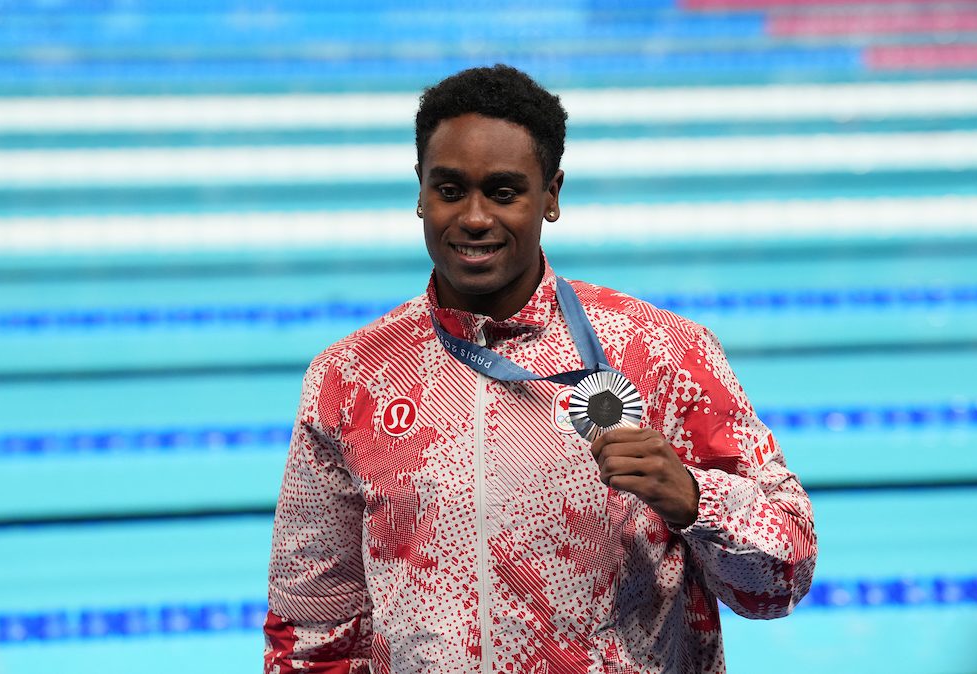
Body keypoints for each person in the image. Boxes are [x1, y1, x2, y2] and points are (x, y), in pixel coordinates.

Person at [264, 64, 816, 674]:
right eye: (450, 190)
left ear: (551, 195)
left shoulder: (661, 353)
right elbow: (313, 625)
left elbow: (783, 576)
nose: (474, 218)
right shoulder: (351, 379)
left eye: (504, 192)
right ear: (419, 191)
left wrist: (693, 500)